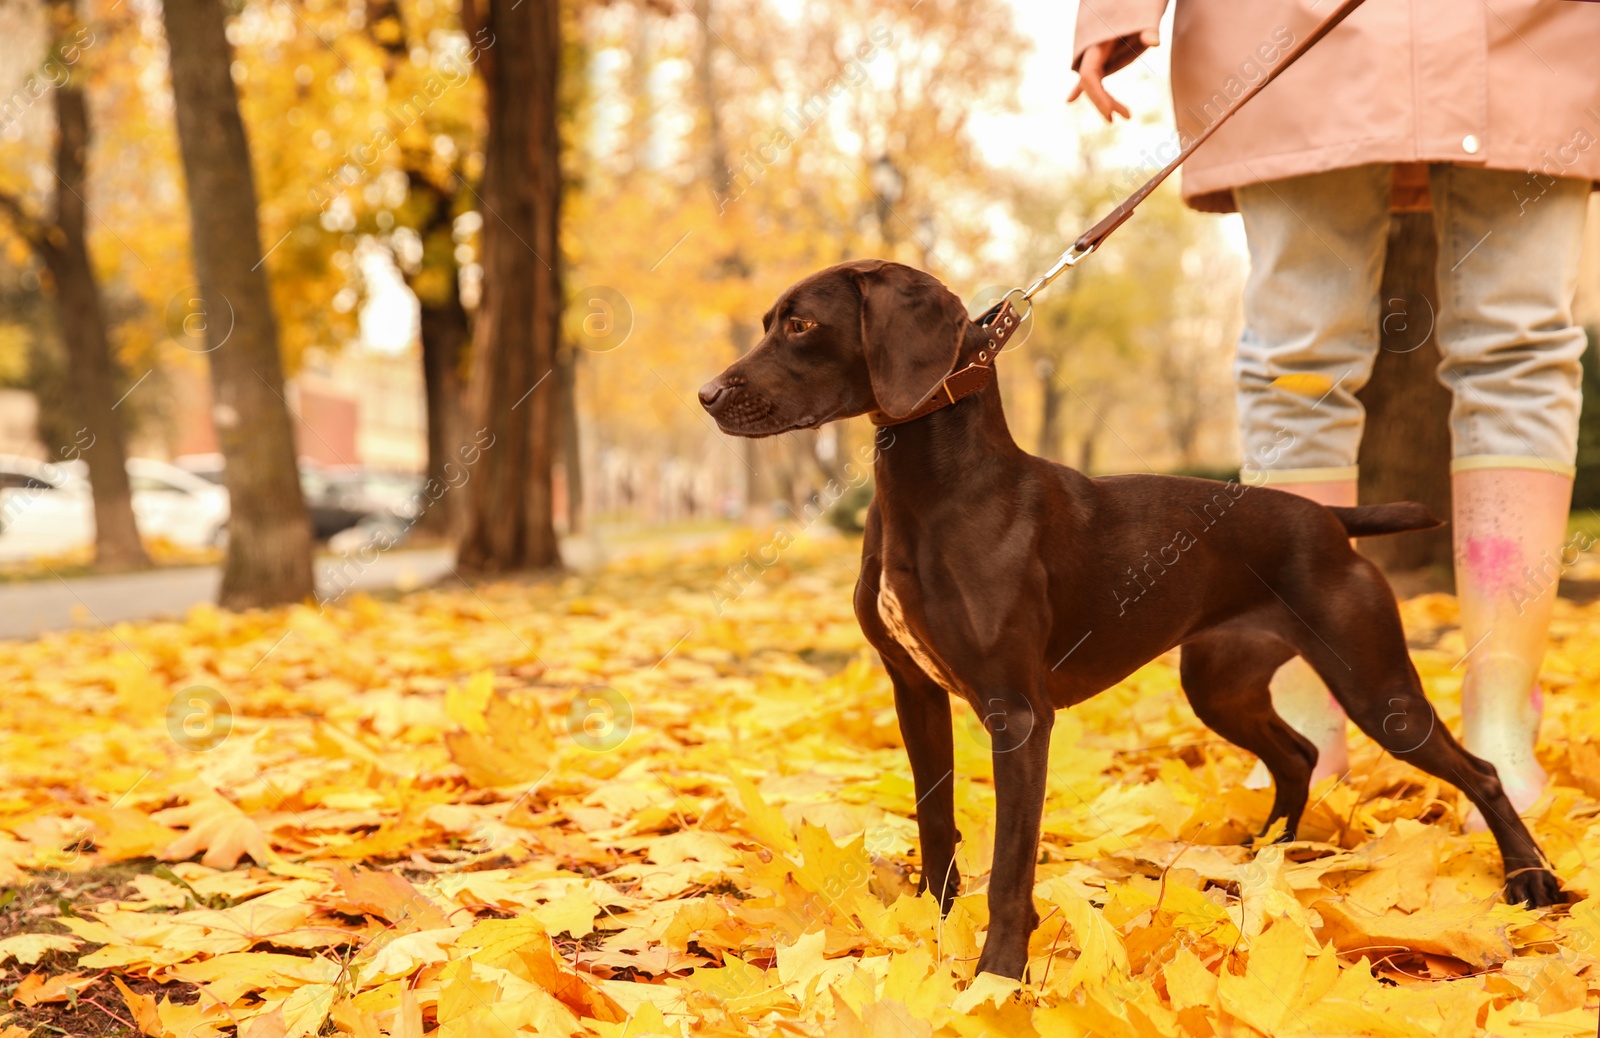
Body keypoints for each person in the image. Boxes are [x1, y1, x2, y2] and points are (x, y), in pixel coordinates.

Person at [1071, 1, 1599, 819]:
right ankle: (1304, 708)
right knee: (1298, 363)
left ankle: (1501, 711)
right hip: (1291, 24)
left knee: (1520, 348)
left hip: (1534, 23)